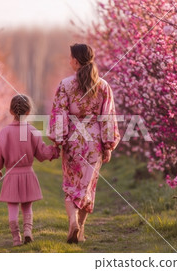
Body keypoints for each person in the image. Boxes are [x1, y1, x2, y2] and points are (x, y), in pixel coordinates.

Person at [49, 43, 121, 244]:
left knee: (71, 185)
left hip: (73, 141)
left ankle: (73, 222)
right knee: (88, 187)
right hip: (94, 142)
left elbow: (59, 114)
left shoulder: (65, 85)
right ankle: (80, 231)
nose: (68, 61)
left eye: (70, 57)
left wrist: (58, 140)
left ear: (76, 61)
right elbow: (107, 117)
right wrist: (108, 145)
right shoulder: (103, 86)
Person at [0, 94, 60, 246]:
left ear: (10, 111)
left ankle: (16, 238)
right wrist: (55, 151)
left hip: (11, 174)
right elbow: (42, 153)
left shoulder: (4, 132)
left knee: (12, 207)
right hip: (28, 173)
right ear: (29, 112)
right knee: (27, 207)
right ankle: (28, 232)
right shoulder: (32, 131)